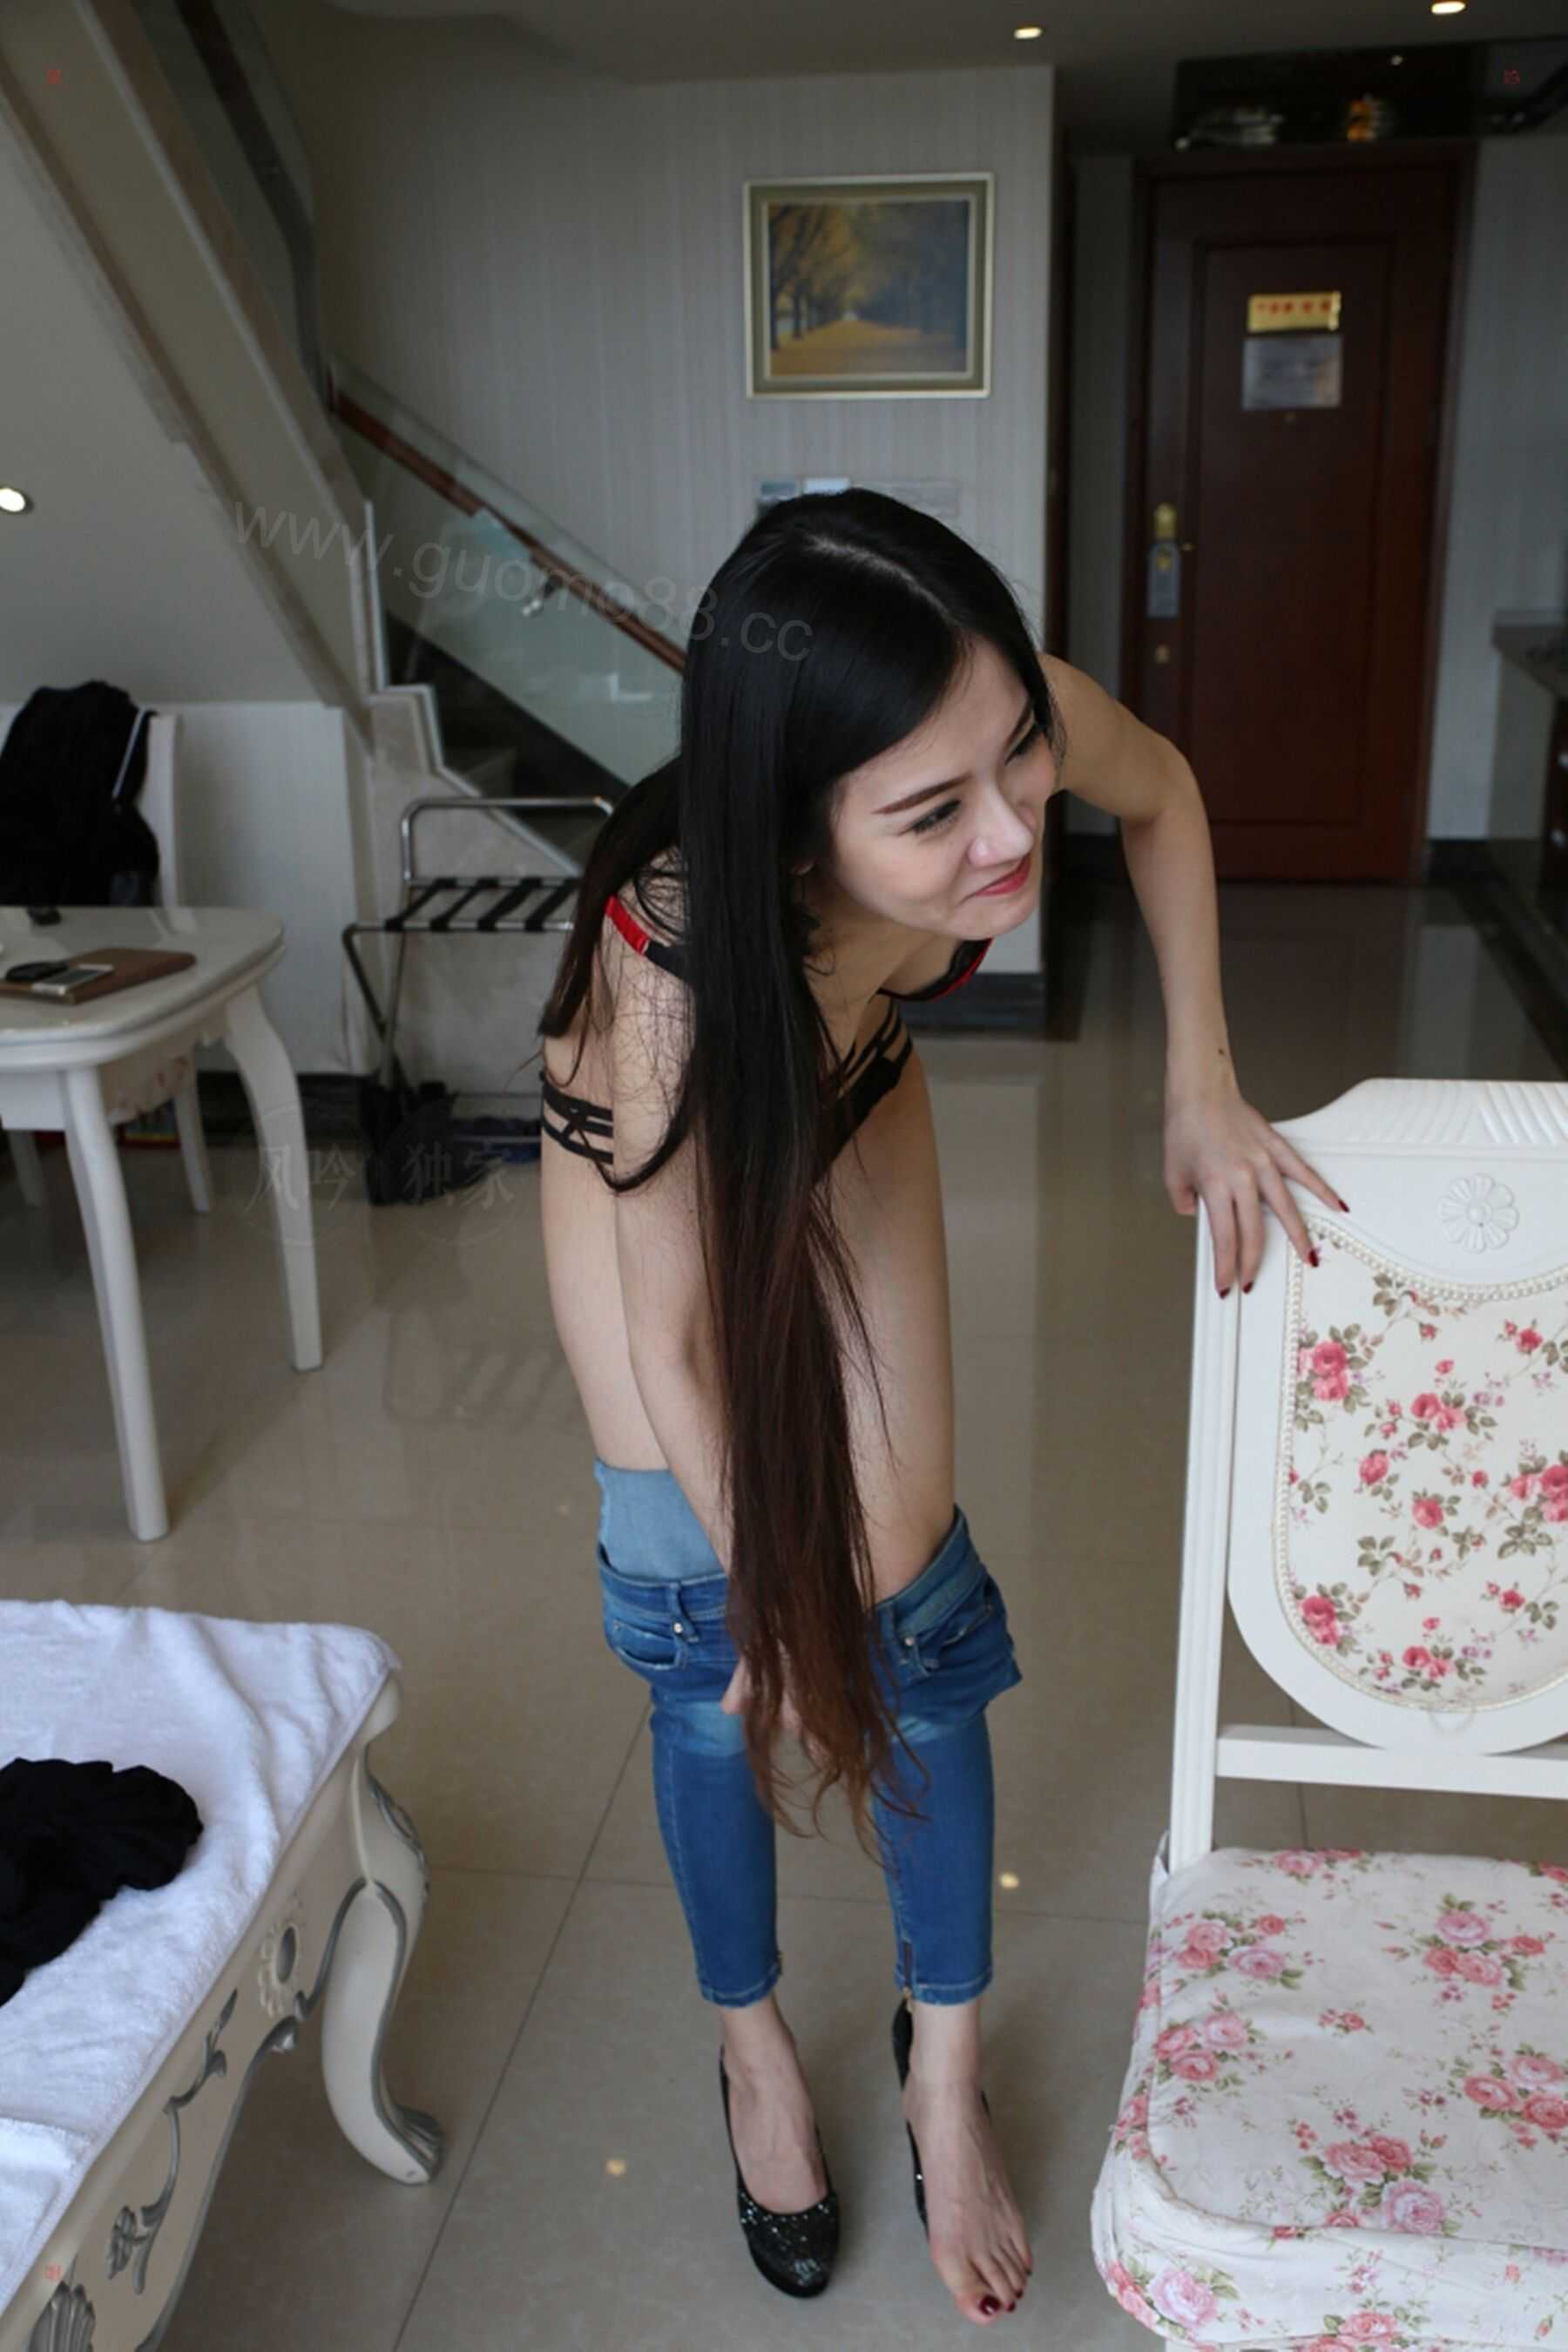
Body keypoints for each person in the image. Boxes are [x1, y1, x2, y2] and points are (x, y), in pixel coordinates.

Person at [535, 490, 1344, 2325]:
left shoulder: (980, 709)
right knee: (709, 1644)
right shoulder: (667, 972)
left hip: (850, 1076)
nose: (1008, 832)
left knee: (909, 1601)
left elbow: (1164, 793)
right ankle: (751, 2049)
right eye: (930, 815)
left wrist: (1201, 1081)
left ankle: (944, 2069)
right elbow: (679, 1345)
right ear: (790, 823)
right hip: (658, 1167)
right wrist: (767, 1588)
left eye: (1016, 760)